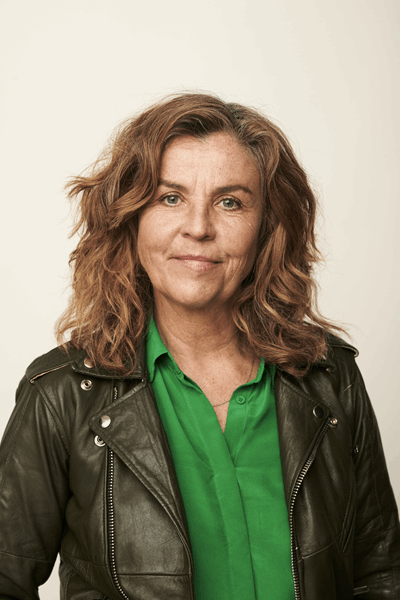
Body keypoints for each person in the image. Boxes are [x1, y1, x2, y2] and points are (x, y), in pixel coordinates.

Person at [0, 93, 399, 600]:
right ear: (131, 216)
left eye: (230, 202)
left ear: (267, 226)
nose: (199, 227)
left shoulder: (330, 376)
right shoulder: (61, 394)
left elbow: (381, 575)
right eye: (170, 198)